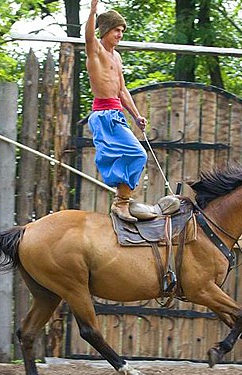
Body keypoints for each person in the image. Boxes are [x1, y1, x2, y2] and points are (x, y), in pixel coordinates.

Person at [85, 0, 154, 222]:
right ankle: (121, 201)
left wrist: (136, 116)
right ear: (105, 30)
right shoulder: (96, 51)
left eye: (122, 30)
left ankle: (123, 198)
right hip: (104, 115)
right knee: (137, 153)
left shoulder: (117, 57)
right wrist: (93, 11)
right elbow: (88, 37)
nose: (120, 34)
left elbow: (122, 90)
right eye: (116, 29)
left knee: (133, 154)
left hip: (117, 114)